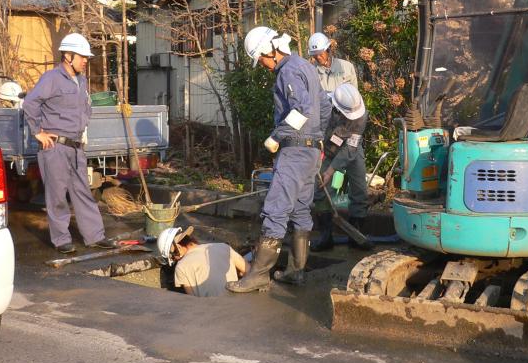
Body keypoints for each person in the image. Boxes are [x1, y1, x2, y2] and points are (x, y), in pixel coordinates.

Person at [227, 26, 330, 293]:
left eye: (260, 59)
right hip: (311, 151)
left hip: (295, 151)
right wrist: (318, 139)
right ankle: (297, 271)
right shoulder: (306, 66)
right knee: (300, 209)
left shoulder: (287, 70)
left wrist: (277, 136)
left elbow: (302, 108)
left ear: (268, 50)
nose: (261, 64)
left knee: (276, 208)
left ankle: (259, 274)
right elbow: (324, 108)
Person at [22, 33, 116, 254]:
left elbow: (85, 107)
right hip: (55, 148)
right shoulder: (51, 78)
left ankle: (95, 236)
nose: (85, 60)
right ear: (68, 55)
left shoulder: (81, 80)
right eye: (82, 56)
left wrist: (83, 129)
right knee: (56, 195)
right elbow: (30, 103)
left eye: (86, 57)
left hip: (76, 148)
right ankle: (61, 239)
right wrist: (38, 132)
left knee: (83, 192)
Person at [312, 83, 369, 251]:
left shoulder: (361, 113)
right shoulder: (322, 106)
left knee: (360, 190)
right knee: (321, 190)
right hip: (327, 149)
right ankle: (325, 236)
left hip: (351, 149)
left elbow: (351, 147)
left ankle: (356, 236)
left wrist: (332, 170)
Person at [157, 226, 248, 297]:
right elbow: (249, 271)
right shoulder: (224, 247)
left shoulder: (181, 267)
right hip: (237, 306)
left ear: (179, 248)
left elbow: (192, 301)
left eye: (173, 258)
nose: (175, 260)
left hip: (212, 314)